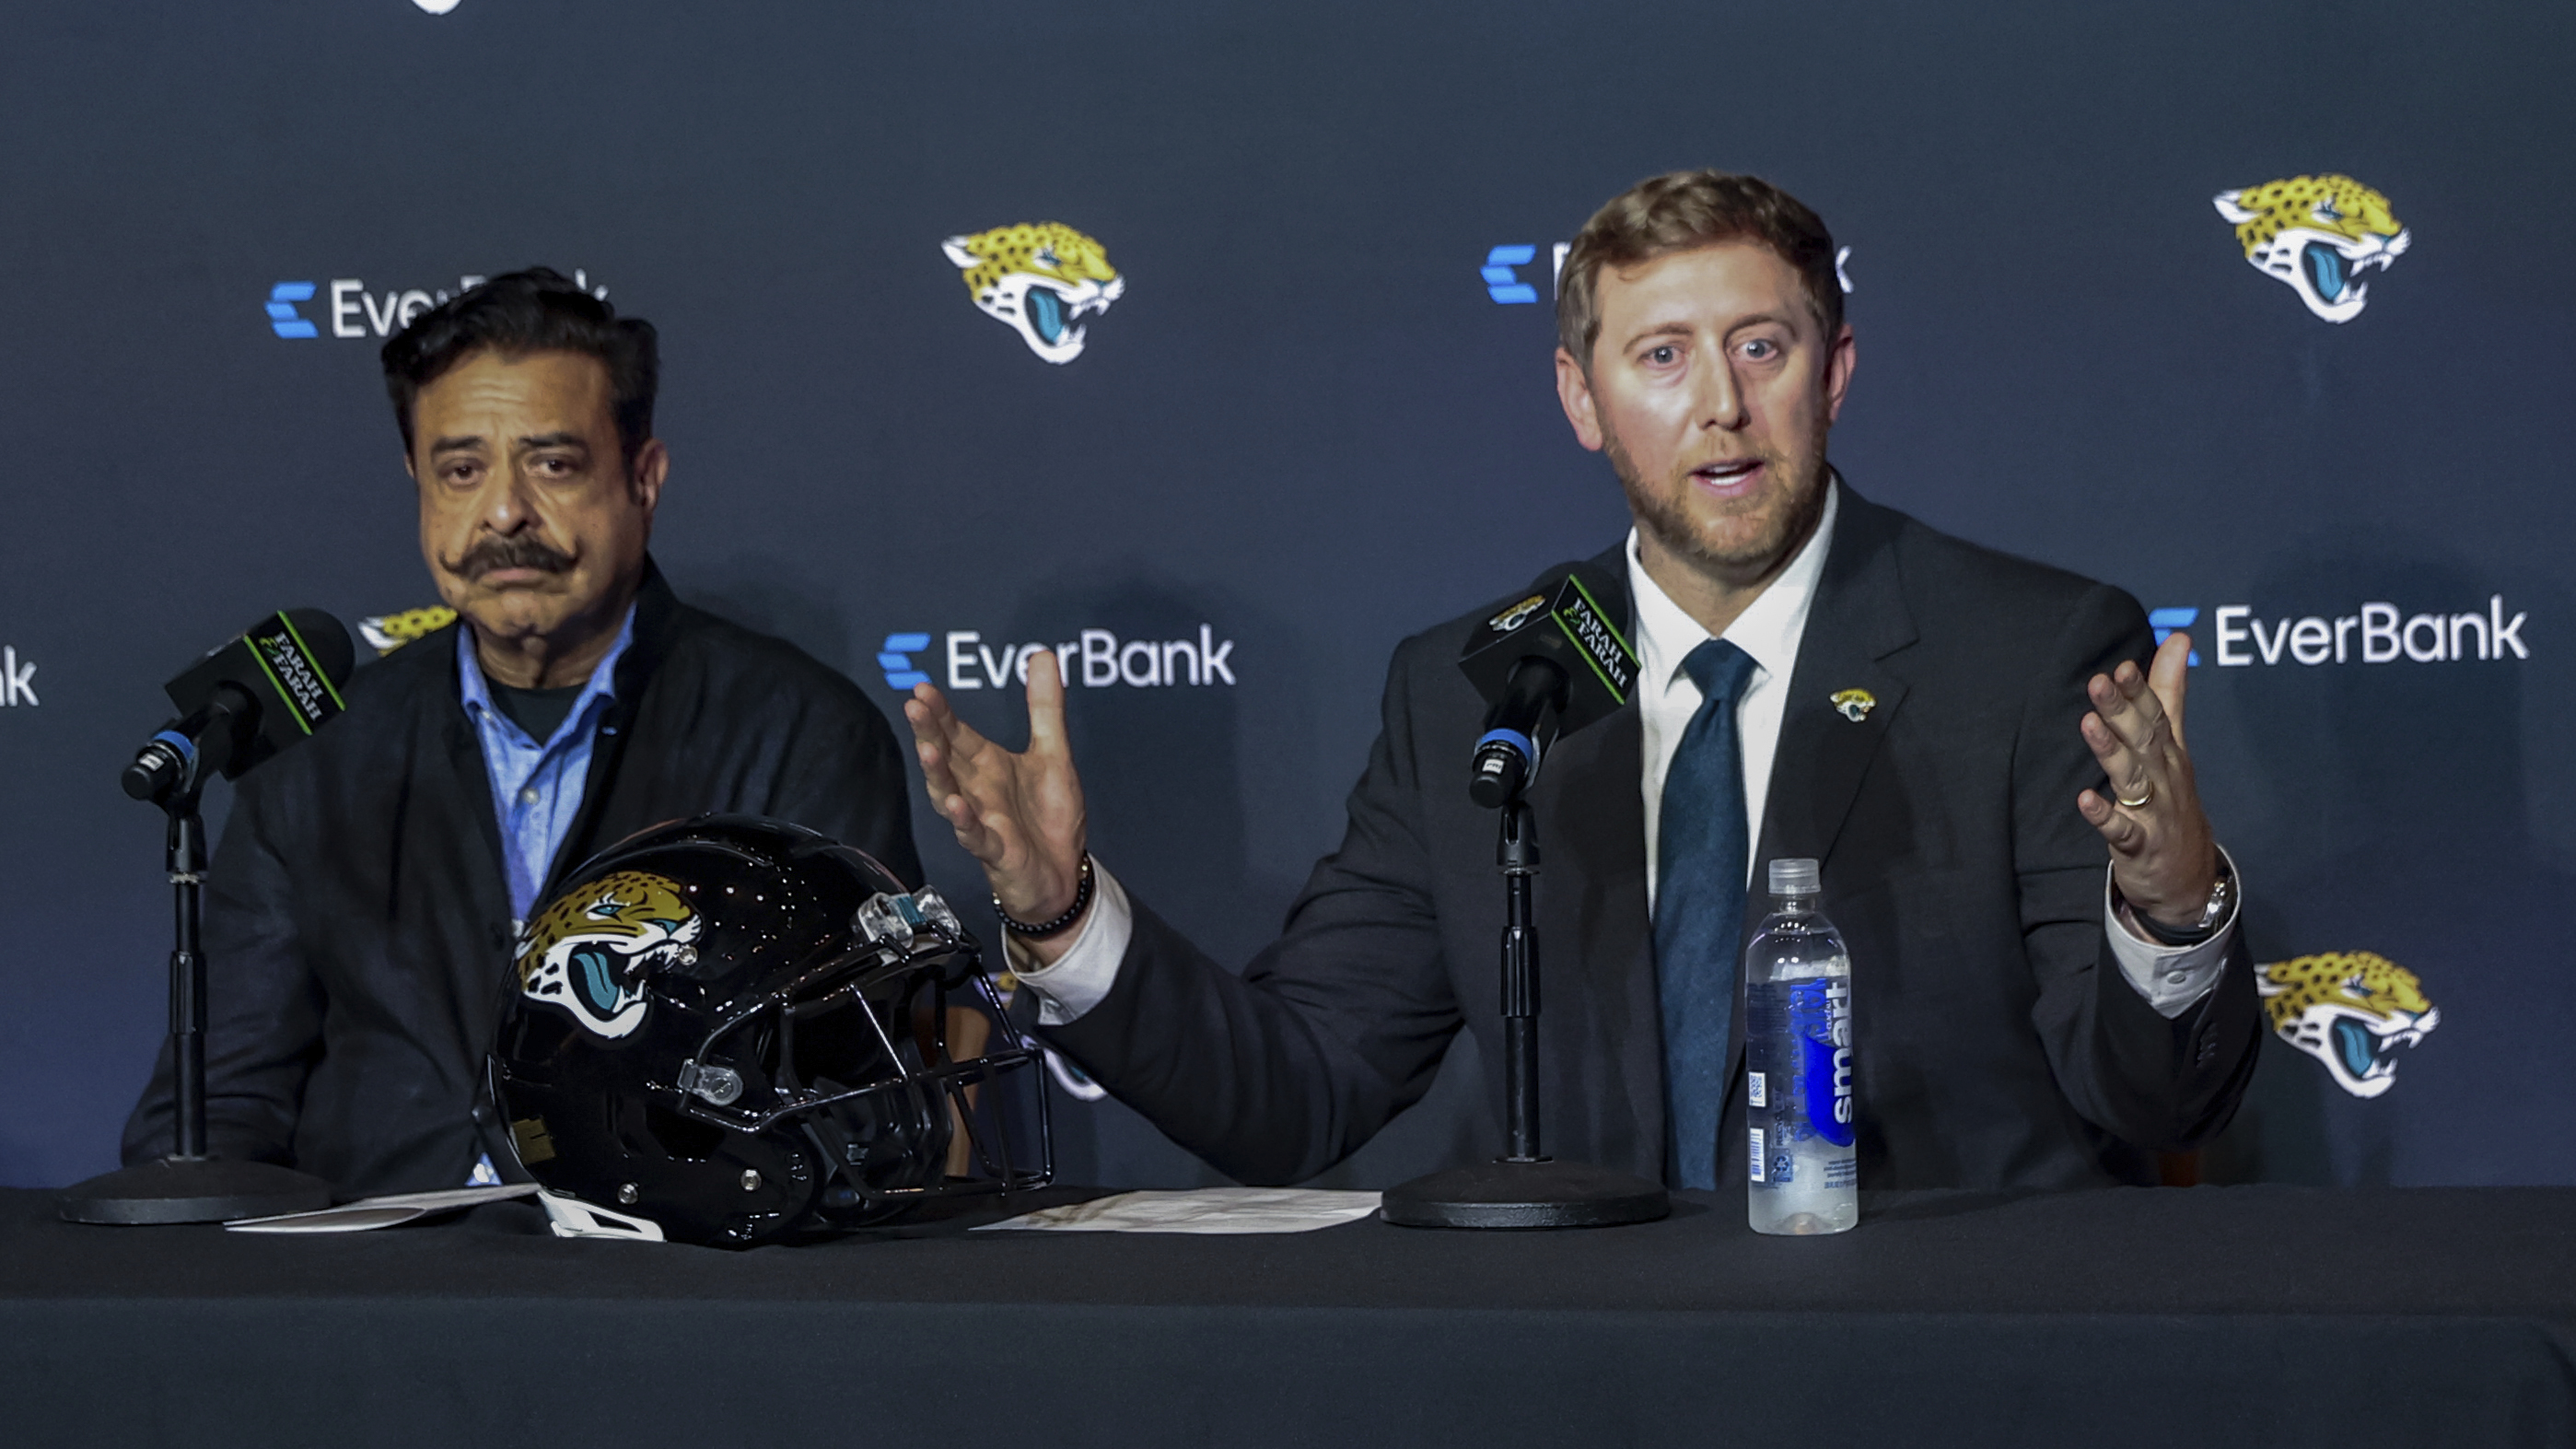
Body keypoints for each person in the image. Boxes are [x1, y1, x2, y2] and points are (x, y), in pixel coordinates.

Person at [905, 171, 2262, 1192]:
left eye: (1762, 346)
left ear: (1834, 372)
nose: (1719, 403)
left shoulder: (2025, 652)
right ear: (1580, 397)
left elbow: (2153, 1106)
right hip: (1605, 1373)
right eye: (1660, 355)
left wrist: (2170, 909)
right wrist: (1066, 916)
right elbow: (1299, 1090)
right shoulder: (1474, 689)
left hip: (1940, 1359)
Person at [122, 269, 921, 1197]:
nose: (503, 512)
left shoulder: (800, 735)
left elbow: (852, 1097)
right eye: (461, 469)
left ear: (643, 478)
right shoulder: (319, 749)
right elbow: (219, 1103)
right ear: (417, 481)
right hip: (372, 1297)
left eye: (552, 463)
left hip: (671, 1293)